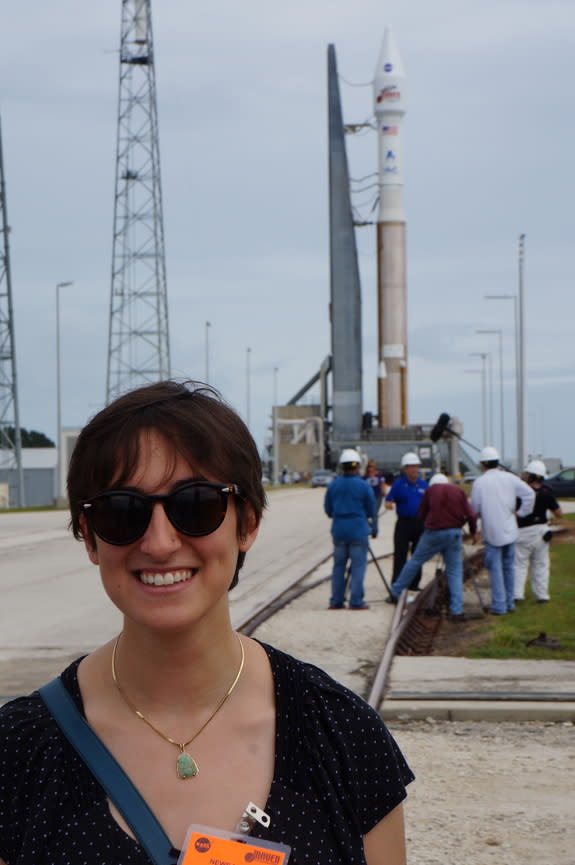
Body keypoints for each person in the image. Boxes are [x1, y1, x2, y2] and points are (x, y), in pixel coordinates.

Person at [0, 381, 413, 865]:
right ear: (89, 538)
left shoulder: (342, 735)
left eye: (196, 505)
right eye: (121, 512)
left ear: (248, 523)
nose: (159, 543)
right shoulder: (19, 755)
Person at [385, 474, 478, 621]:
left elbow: (421, 512)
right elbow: (472, 515)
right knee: (455, 571)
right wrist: (473, 532)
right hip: (454, 534)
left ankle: (395, 593)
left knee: (415, 561)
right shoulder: (458, 491)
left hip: (433, 533)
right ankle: (456, 611)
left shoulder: (430, 491)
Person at [470, 446, 535, 615]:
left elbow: (475, 508)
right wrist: (521, 513)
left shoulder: (480, 482)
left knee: (495, 569)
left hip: (492, 531)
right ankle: (510, 602)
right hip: (510, 530)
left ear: (483, 464)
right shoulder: (510, 478)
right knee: (509, 567)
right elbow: (529, 494)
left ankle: (499, 606)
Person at [324, 448, 378, 611]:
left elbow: (328, 509)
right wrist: (374, 528)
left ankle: (336, 601)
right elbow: (371, 510)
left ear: (342, 466)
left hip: (339, 530)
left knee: (338, 566)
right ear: (357, 467)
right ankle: (356, 601)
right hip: (358, 530)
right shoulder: (364, 486)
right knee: (358, 566)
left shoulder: (333, 485)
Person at [514, 459, 562, 604]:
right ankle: (542, 595)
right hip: (541, 533)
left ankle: (517, 595)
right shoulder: (546, 492)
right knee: (540, 565)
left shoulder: (520, 492)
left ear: (530, 476)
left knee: (520, 565)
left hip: (522, 532)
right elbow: (558, 512)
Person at [384, 452, 428, 590]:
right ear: (406, 469)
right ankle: (397, 583)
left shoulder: (424, 485)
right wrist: (389, 504)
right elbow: (388, 500)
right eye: (411, 467)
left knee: (417, 554)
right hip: (403, 523)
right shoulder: (398, 485)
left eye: (416, 466)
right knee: (400, 554)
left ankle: (414, 583)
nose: (415, 469)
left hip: (419, 523)